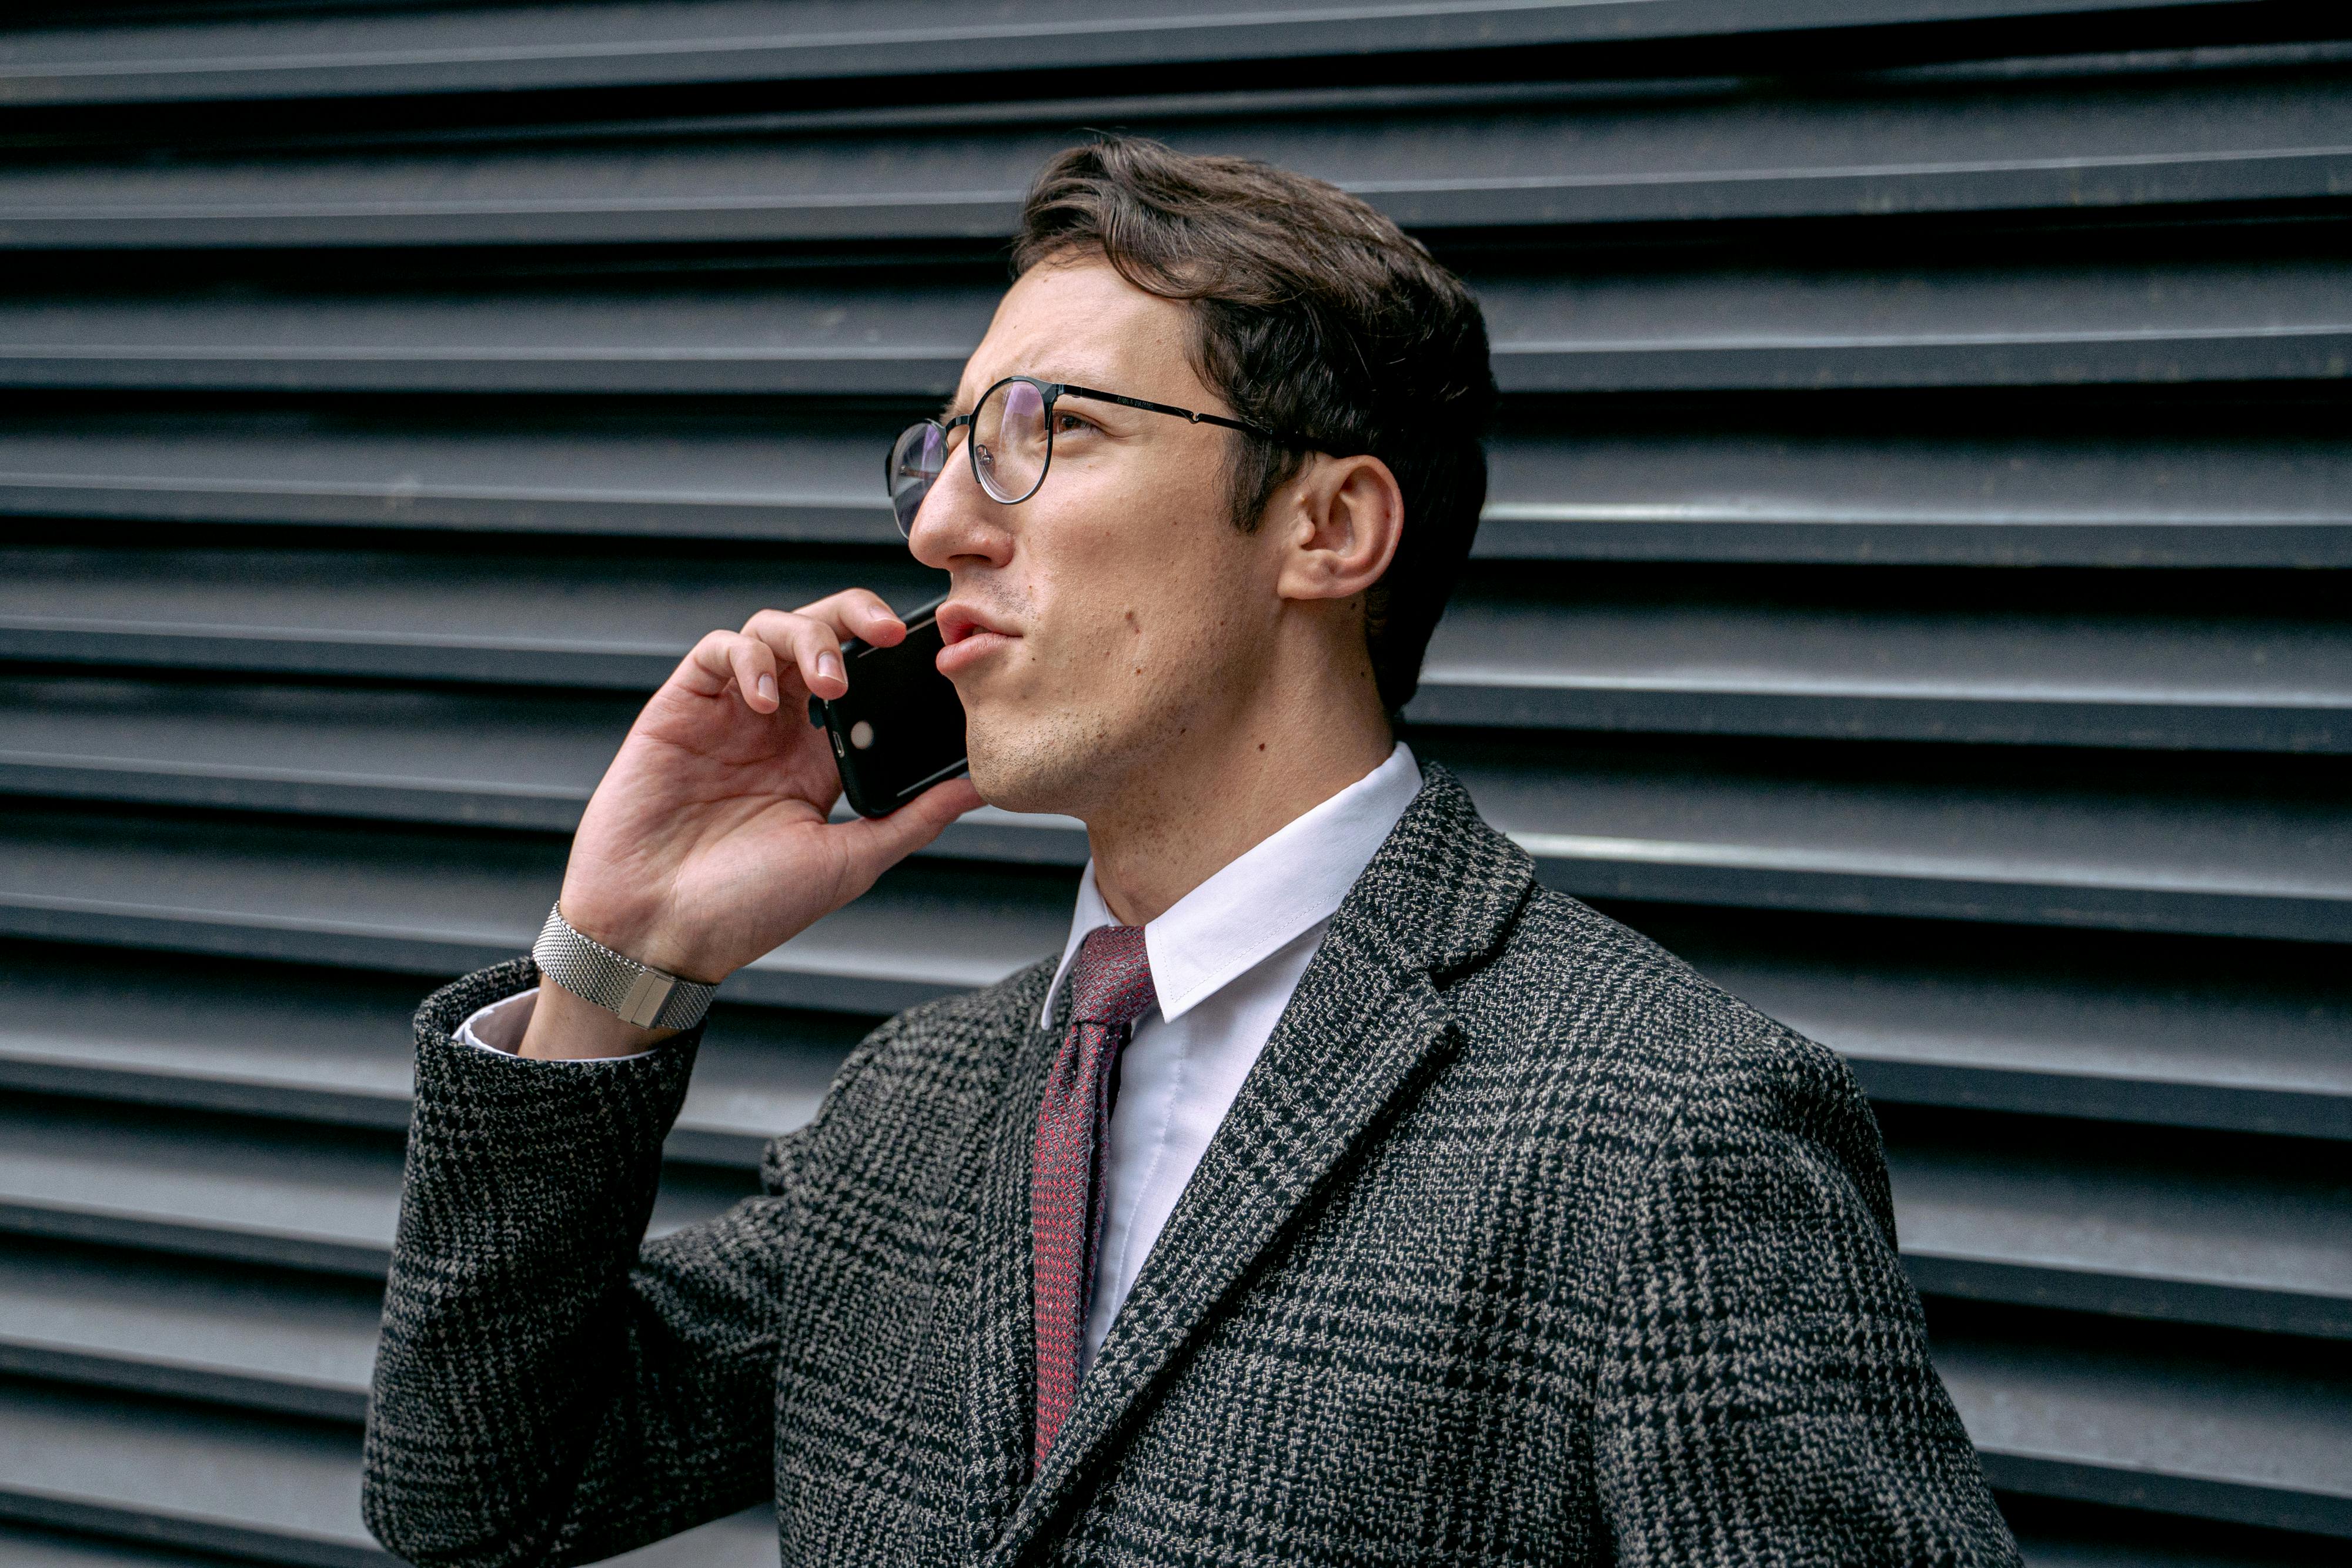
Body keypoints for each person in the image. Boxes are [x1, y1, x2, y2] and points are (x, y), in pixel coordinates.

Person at [363, 136, 2019, 1567]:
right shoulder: (909, 1114)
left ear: (1327, 526)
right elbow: (476, 1497)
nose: (940, 524)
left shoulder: (1670, 1133)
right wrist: (616, 956)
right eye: (940, 451)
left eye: (1043, 430)